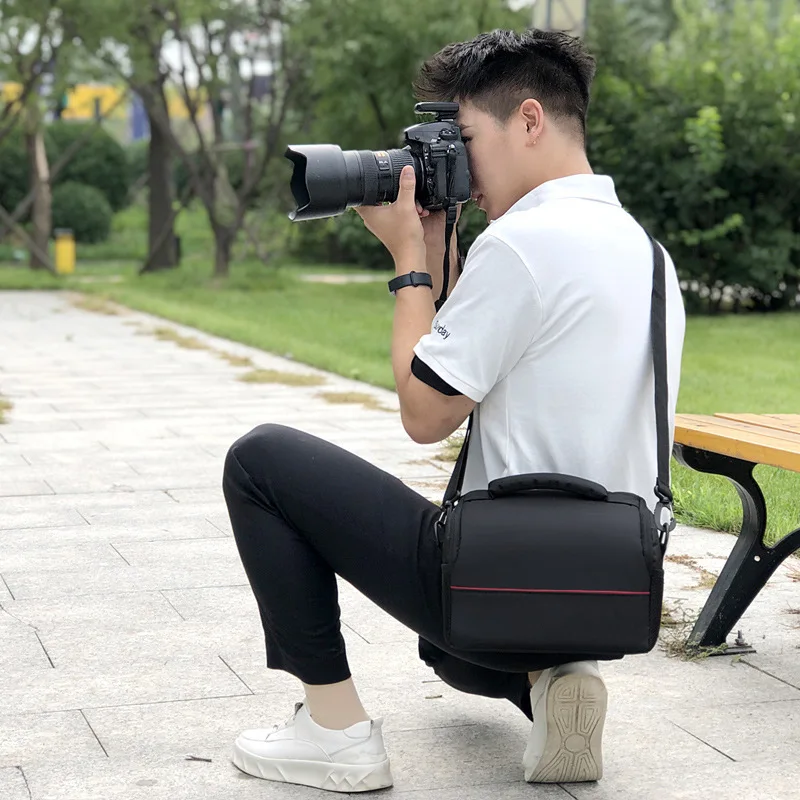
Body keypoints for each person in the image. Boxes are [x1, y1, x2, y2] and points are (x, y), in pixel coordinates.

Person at [222, 28, 686, 793]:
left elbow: (425, 414)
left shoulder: (524, 243)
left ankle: (333, 732)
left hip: (502, 579)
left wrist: (409, 262)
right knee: (445, 654)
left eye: (464, 138)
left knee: (260, 460)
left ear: (529, 120)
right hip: (613, 583)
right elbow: (493, 350)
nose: (460, 168)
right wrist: (442, 251)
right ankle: (555, 676)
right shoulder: (646, 254)